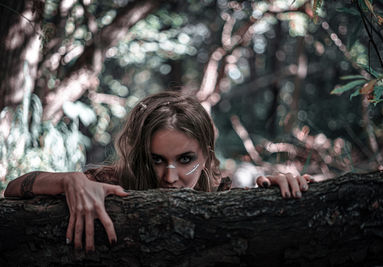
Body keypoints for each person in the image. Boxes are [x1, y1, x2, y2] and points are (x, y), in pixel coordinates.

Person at [4, 91, 312, 253]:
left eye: (185, 159)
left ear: (206, 155)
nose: (169, 177)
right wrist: (70, 181)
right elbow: (13, 188)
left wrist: (283, 191)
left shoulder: (223, 196)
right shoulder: (115, 184)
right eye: (157, 160)